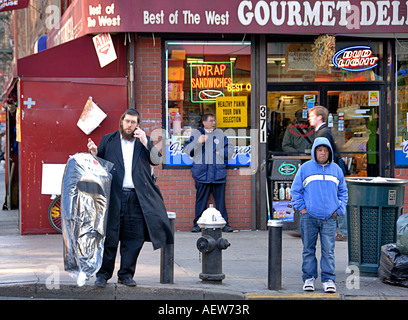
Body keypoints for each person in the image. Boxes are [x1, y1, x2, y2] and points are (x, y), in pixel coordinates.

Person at [87, 108, 174, 288]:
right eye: (127, 121)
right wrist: (94, 153)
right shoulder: (108, 140)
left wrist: (145, 141)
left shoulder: (143, 141)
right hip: (113, 196)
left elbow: (157, 160)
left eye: (133, 122)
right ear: (121, 121)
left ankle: (126, 274)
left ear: (137, 125)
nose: (129, 125)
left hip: (136, 197)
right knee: (109, 236)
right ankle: (103, 274)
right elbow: (98, 165)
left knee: (134, 238)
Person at [290, 137, 348, 293]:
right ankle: (309, 278)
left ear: (329, 152)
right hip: (309, 217)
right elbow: (295, 191)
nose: (323, 153)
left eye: (325, 150)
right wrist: (303, 209)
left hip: (330, 218)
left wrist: (339, 210)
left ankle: (328, 280)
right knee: (308, 249)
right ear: (315, 151)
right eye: (320, 150)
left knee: (328, 250)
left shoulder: (336, 169)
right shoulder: (305, 168)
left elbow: (343, 192)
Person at [183, 113, 235, 233]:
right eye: (211, 121)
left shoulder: (220, 135)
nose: (214, 123)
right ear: (204, 122)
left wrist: (220, 152)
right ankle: (197, 224)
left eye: (214, 121)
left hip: (218, 173)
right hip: (202, 173)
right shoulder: (196, 135)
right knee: (201, 200)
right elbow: (187, 150)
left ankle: (224, 224)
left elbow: (231, 149)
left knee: (220, 201)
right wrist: (198, 142)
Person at [308, 105, 348, 241]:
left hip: (331, 171)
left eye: (312, 116)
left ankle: (343, 231)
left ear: (319, 117)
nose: (309, 119)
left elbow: (327, 155)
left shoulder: (323, 133)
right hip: (332, 169)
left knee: (337, 198)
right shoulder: (324, 131)